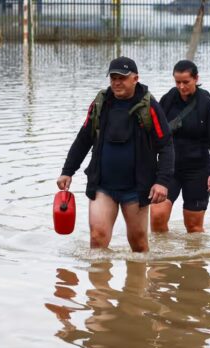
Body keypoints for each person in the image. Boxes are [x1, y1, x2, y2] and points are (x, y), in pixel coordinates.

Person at [57, 56, 174, 252]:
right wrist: (67, 171)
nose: (117, 83)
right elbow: (83, 138)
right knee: (97, 239)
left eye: (122, 78)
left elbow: (166, 145)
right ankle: (99, 283)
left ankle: (137, 282)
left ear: (135, 78)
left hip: (136, 189)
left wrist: (162, 181)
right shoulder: (100, 103)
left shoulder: (150, 107)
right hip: (103, 185)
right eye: (113, 78)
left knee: (138, 244)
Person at [150, 60, 210, 233]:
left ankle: (194, 259)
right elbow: (155, 133)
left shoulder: (207, 105)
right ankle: (161, 259)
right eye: (177, 82)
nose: (181, 87)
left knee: (193, 227)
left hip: (197, 171)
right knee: (157, 217)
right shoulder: (168, 100)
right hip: (169, 170)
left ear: (196, 79)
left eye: (186, 82)